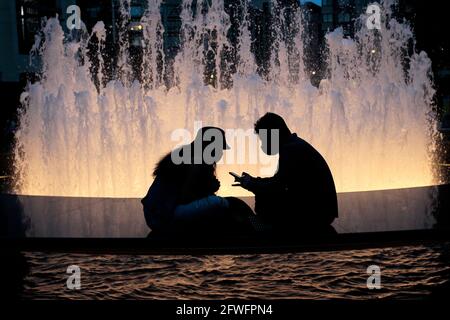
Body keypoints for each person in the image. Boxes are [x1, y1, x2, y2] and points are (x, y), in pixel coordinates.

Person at [233, 112, 338, 236]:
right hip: (320, 210)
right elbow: (280, 180)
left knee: (264, 197)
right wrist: (254, 181)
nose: (262, 144)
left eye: (263, 139)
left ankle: (267, 229)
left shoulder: (290, 150)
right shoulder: (294, 145)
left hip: (314, 214)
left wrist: (252, 184)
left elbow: (277, 186)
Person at [142, 126, 254, 237]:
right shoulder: (196, 162)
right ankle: (257, 229)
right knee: (223, 203)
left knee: (229, 203)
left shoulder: (186, 155)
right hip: (165, 217)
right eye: (219, 148)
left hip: (155, 216)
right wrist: (209, 188)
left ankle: (254, 227)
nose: (221, 152)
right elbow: (186, 197)